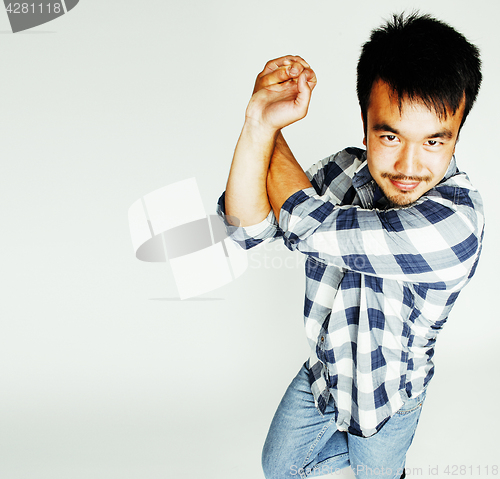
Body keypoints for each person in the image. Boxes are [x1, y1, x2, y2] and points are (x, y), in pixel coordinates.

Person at [217, 12, 483, 479]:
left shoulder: (457, 224)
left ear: (457, 135)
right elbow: (244, 229)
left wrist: (273, 137)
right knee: (278, 468)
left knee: (376, 475)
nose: (409, 165)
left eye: (434, 141)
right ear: (364, 122)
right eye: (390, 135)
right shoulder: (341, 172)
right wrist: (258, 122)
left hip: (390, 393)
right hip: (324, 373)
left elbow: (307, 223)